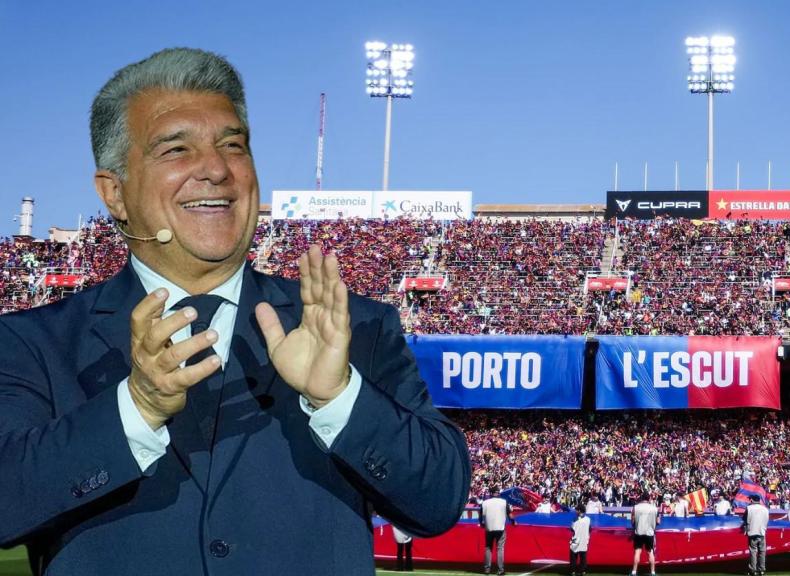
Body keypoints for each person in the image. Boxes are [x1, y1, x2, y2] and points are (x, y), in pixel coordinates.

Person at [0, 48, 470, 575]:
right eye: (176, 149)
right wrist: (136, 409)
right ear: (114, 193)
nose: (217, 169)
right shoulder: (31, 344)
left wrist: (338, 398)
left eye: (233, 145)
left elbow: (438, 501)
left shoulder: (354, 325)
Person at [481, 488, 515, 575]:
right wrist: (513, 521)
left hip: (489, 528)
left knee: (488, 548)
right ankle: (500, 569)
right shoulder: (503, 502)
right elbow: (510, 514)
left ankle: (487, 569)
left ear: (491, 493)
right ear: (498, 493)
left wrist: (481, 523)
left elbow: (481, 515)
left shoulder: (485, 502)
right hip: (500, 528)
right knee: (500, 549)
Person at [630, 492, 660, 576]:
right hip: (649, 533)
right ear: (649, 498)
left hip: (638, 532)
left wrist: (635, 525)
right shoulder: (654, 508)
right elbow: (658, 521)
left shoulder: (635, 507)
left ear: (641, 498)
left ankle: (634, 572)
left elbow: (632, 521)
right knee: (650, 552)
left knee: (637, 552)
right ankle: (653, 572)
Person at [741, 494, 769, 576]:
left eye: (750, 499)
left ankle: (753, 570)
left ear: (752, 500)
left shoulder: (749, 508)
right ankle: (762, 570)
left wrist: (745, 529)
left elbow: (745, 520)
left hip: (752, 532)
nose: (749, 500)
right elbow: (766, 520)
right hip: (762, 532)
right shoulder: (765, 509)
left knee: (753, 552)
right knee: (762, 552)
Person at [569, 504, 591, 576]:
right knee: (583, 557)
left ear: (579, 510)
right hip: (584, 540)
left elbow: (572, 529)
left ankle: (573, 571)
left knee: (573, 557)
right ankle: (583, 571)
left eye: (576, 510)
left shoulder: (574, 519)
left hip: (575, 540)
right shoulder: (588, 519)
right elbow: (590, 529)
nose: (575, 511)